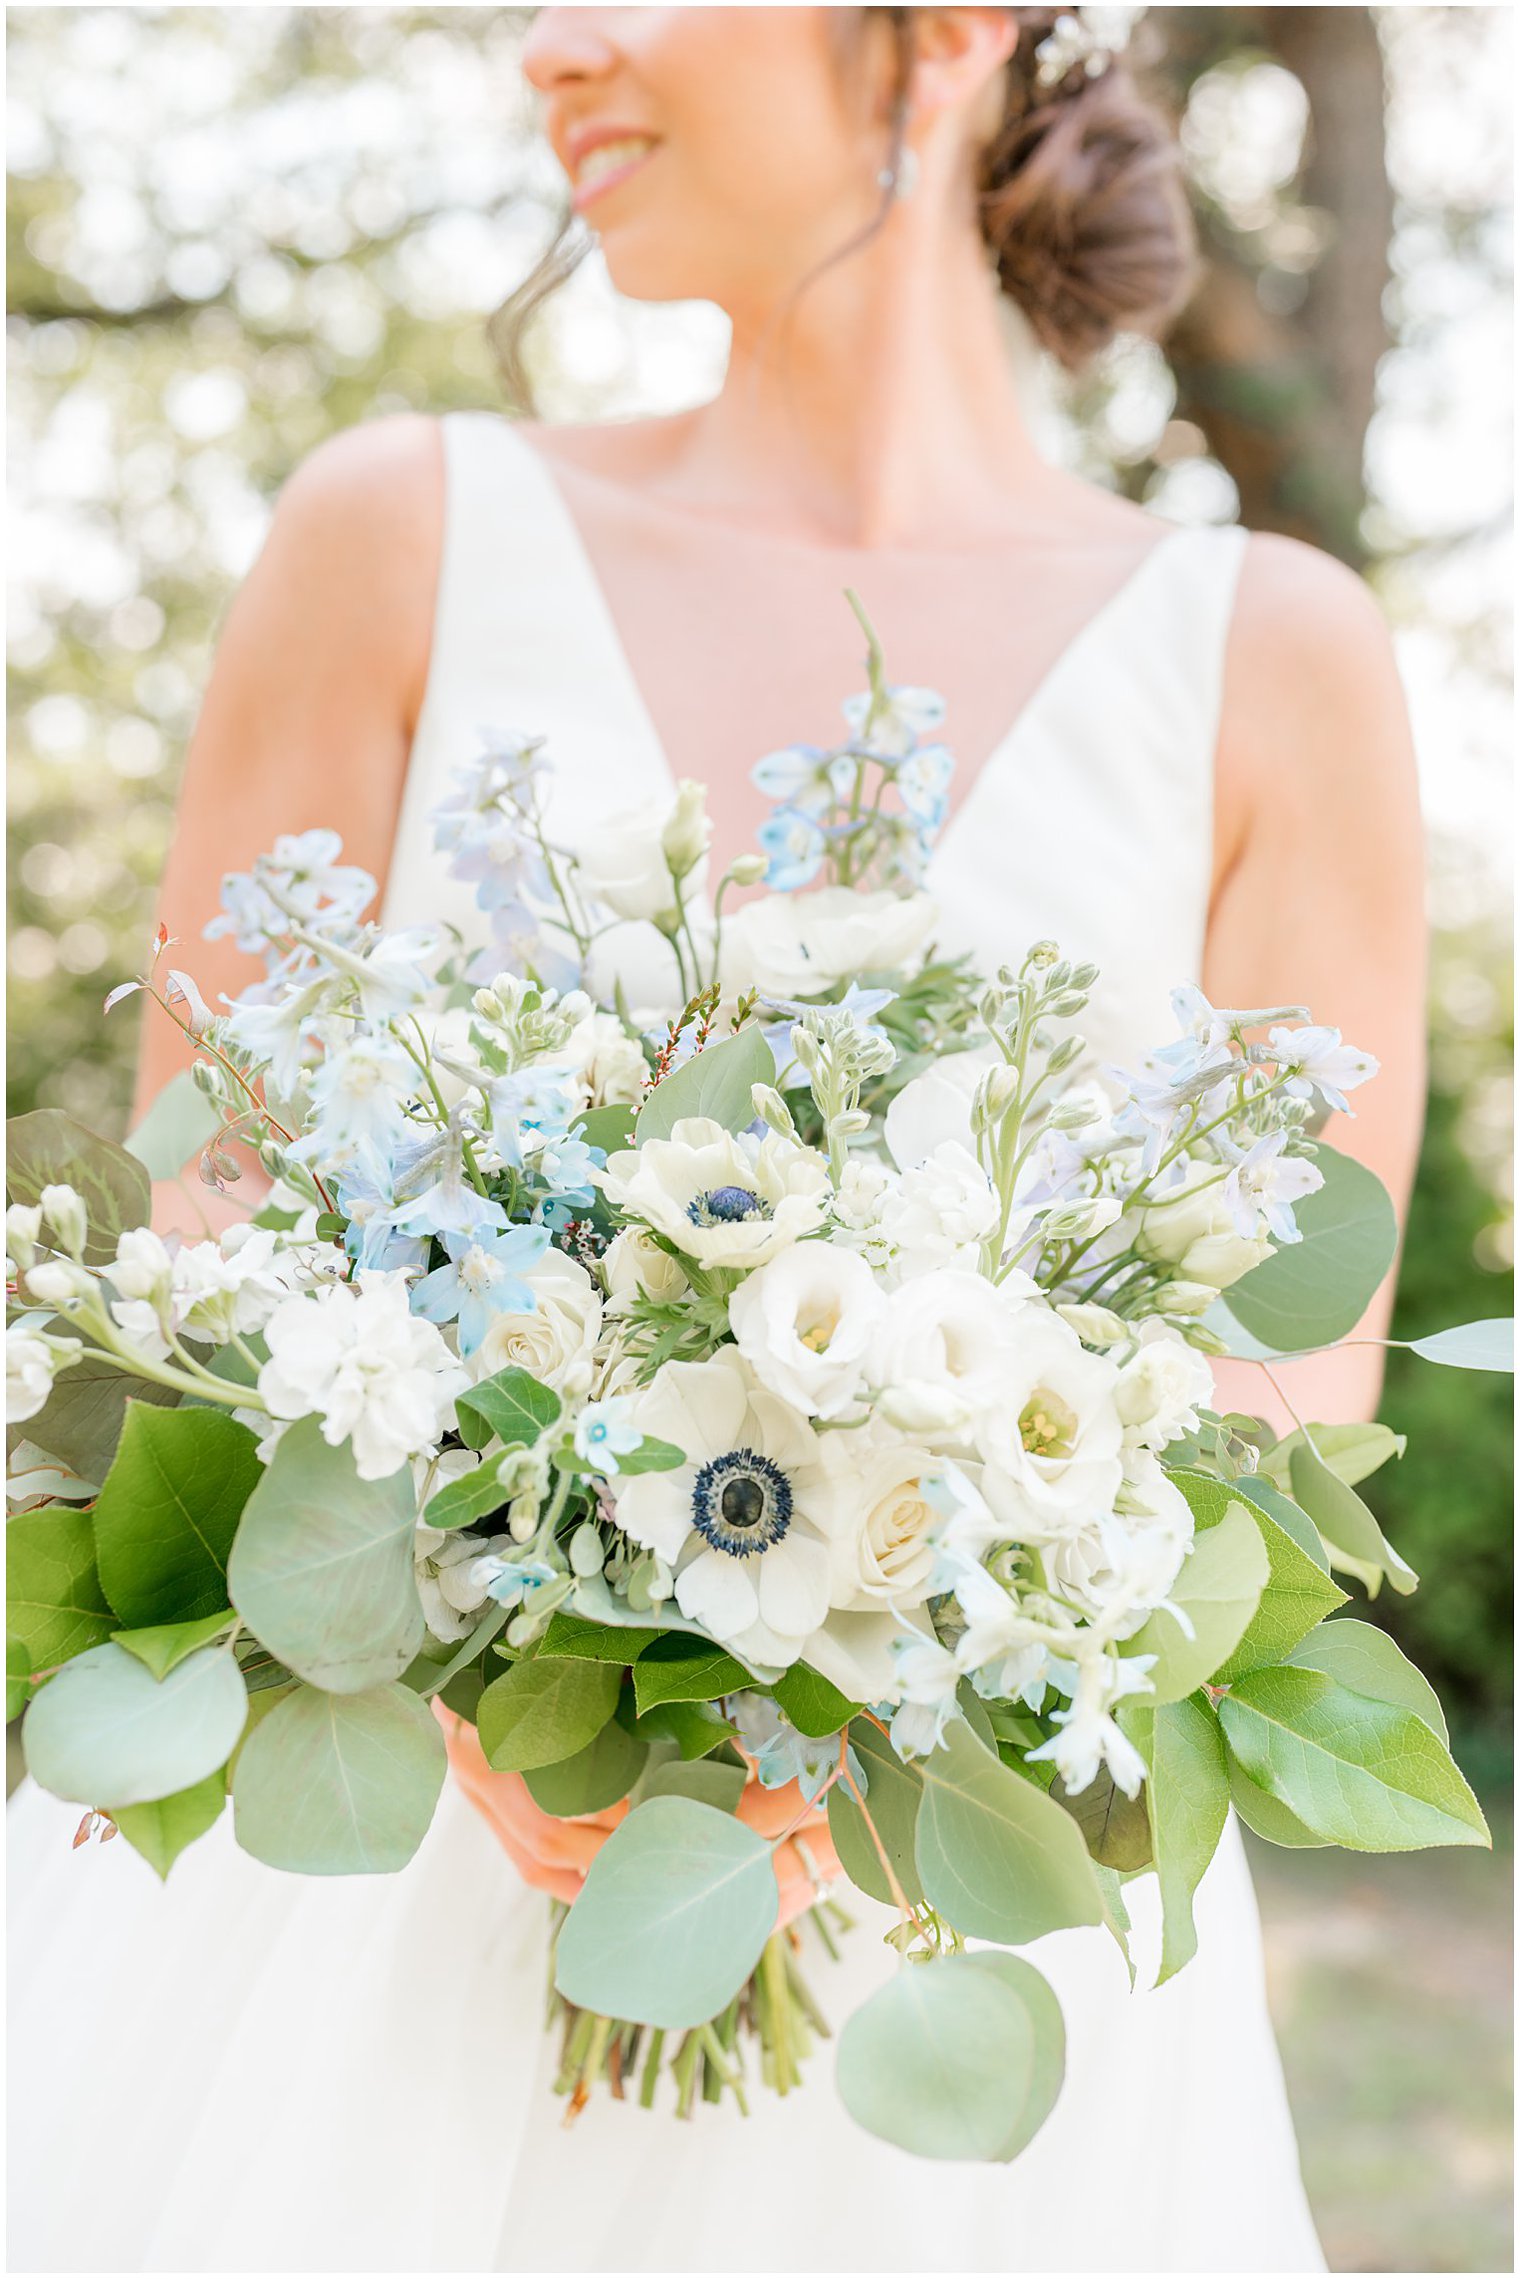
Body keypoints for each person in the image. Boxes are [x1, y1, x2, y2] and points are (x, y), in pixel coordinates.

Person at [9, 9, 1426, 2271]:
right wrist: (486, 1668)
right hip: (382, 1925)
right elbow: (225, 1251)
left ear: (944, 28)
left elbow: (1276, 1410)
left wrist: (852, 1720)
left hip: (952, 1953)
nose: (547, 49)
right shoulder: (393, 537)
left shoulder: (1275, 660)